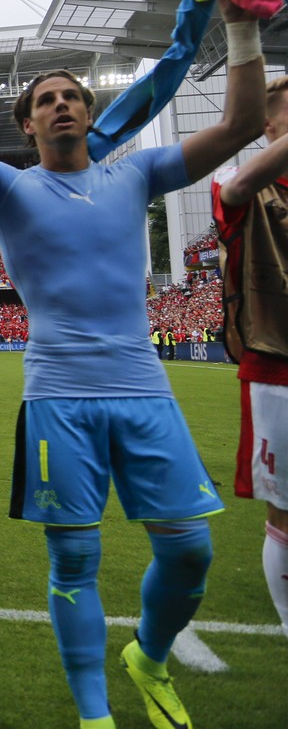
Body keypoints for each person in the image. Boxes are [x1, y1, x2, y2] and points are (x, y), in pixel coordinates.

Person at [0, 0, 263, 729]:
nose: (61, 102)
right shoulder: (7, 187)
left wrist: (240, 27)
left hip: (143, 389)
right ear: (28, 124)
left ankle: (148, 654)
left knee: (191, 552)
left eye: (72, 95)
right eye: (45, 99)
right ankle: (94, 716)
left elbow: (238, 126)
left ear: (91, 112)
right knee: (74, 563)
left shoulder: (137, 172)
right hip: (59, 395)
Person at [212, 75, 288, 639]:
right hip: (277, 366)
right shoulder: (246, 186)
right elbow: (235, 191)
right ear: (267, 124)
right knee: (285, 512)